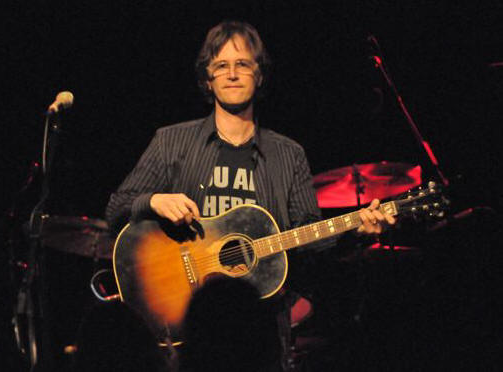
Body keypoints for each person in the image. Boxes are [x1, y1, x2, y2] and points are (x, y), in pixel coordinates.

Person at [105, 20, 395, 371]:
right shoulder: (171, 142)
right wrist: (154, 201)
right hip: (187, 328)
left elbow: (311, 242)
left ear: (259, 76)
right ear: (207, 79)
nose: (232, 74)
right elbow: (117, 207)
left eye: (243, 64)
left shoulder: (289, 155)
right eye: (221, 66)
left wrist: (357, 231)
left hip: (262, 336)